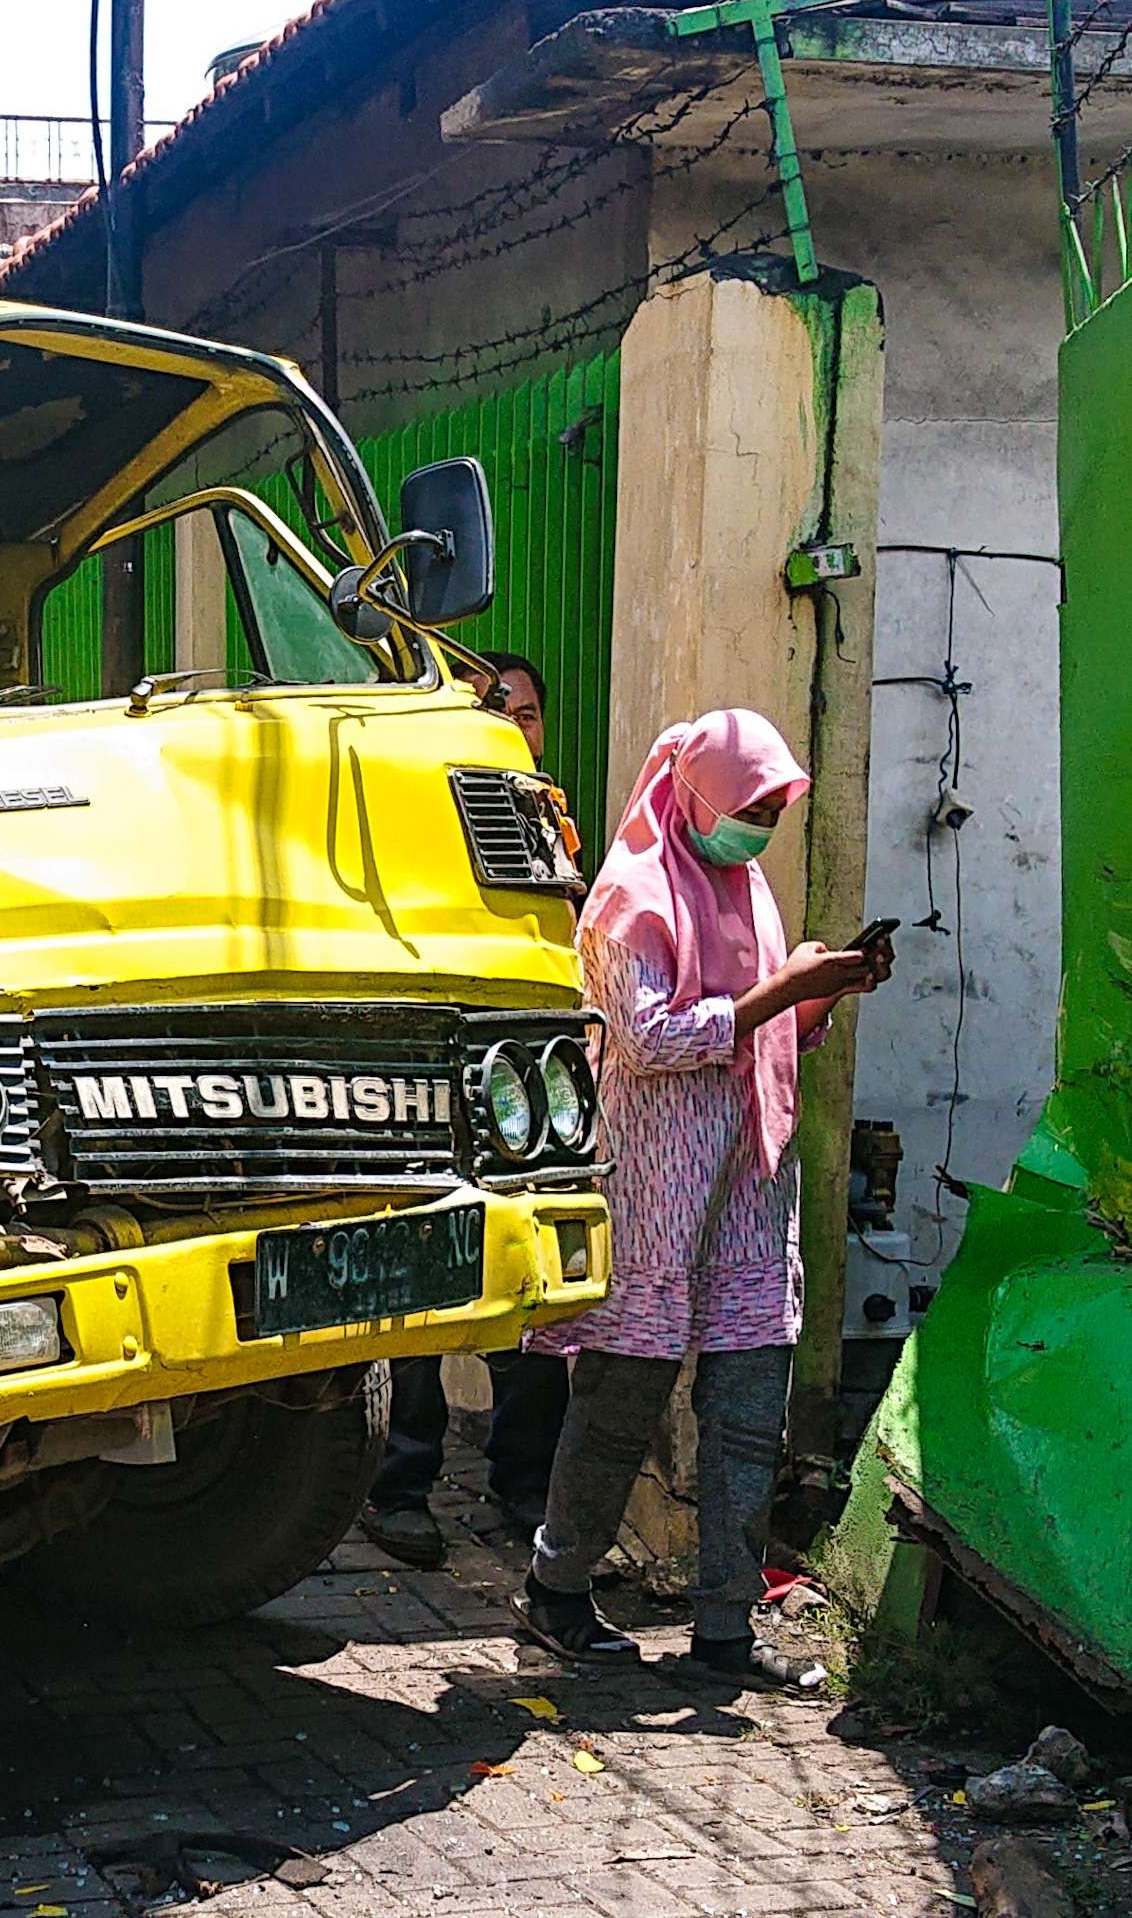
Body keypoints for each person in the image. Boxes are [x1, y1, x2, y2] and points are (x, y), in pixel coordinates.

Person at [512, 708, 888, 1690]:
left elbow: (767, 1036)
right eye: (749, 807)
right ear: (697, 794)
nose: (759, 825)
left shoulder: (746, 888)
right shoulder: (627, 899)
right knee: (618, 1405)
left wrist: (825, 989)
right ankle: (555, 1588)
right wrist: (778, 991)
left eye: (771, 809)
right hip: (651, 1191)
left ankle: (726, 1624)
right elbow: (644, 1040)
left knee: (746, 1410)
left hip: (747, 1186)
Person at [362, 650, 576, 1566]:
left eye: (523, 713)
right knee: (417, 1293)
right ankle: (400, 1482)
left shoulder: (546, 826)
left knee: (530, 1302)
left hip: (519, 1091)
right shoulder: (405, 812)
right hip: (417, 1084)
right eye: (491, 709)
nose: (510, 727)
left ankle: (521, 1490)